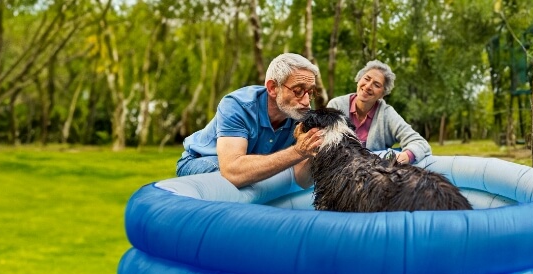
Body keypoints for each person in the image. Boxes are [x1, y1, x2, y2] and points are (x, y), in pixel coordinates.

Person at [177, 53, 325, 188]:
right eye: (298, 91)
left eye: (310, 92)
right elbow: (233, 171)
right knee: (237, 179)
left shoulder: (299, 116)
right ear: (273, 88)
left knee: (264, 177)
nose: (306, 102)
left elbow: (302, 181)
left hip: (243, 165)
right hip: (201, 160)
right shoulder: (237, 106)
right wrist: (298, 152)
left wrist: (315, 151)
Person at [326, 60, 431, 164]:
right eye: (366, 79)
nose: (368, 86)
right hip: (338, 171)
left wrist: (408, 156)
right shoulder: (336, 106)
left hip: (373, 175)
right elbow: (325, 143)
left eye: (376, 85)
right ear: (358, 80)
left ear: (383, 94)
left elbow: (420, 143)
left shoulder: (387, 114)